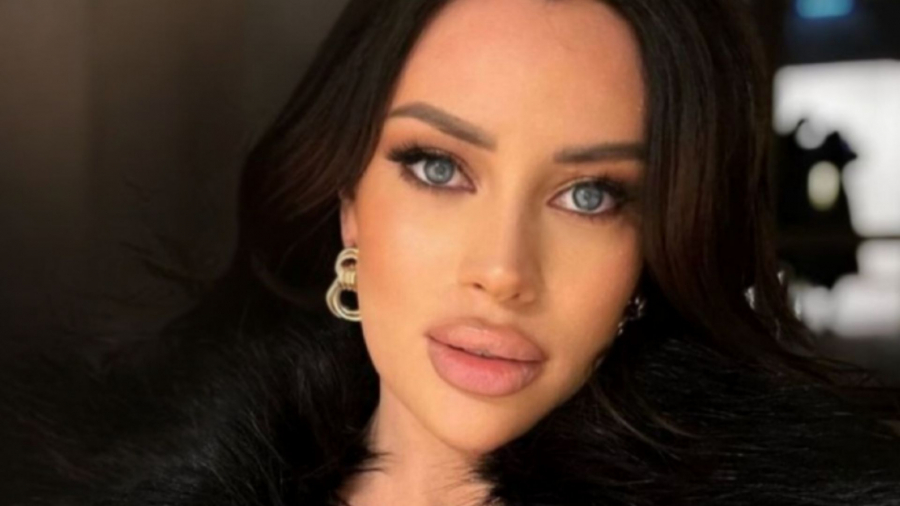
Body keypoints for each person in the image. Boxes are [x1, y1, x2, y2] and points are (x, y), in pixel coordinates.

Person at [2, 0, 899, 505]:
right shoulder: (105, 475)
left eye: (591, 196)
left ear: (652, 251)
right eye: (437, 167)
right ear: (349, 203)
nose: (503, 272)